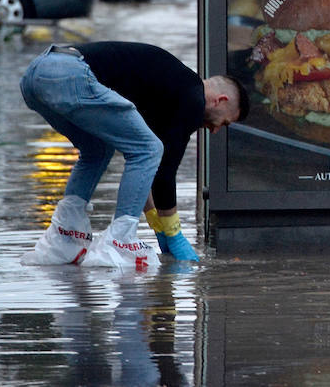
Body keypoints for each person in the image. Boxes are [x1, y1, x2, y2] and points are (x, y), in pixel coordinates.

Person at [19, 42, 248, 269]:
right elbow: (164, 172)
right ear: (221, 100)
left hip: (36, 75)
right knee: (149, 149)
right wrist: (173, 233)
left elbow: (147, 171)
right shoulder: (193, 99)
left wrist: (156, 223)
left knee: (96, 150)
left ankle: (65, 237)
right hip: (70, 75)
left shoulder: (170, 92)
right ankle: (119, 242)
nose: (216, 129)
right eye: (224, 122)